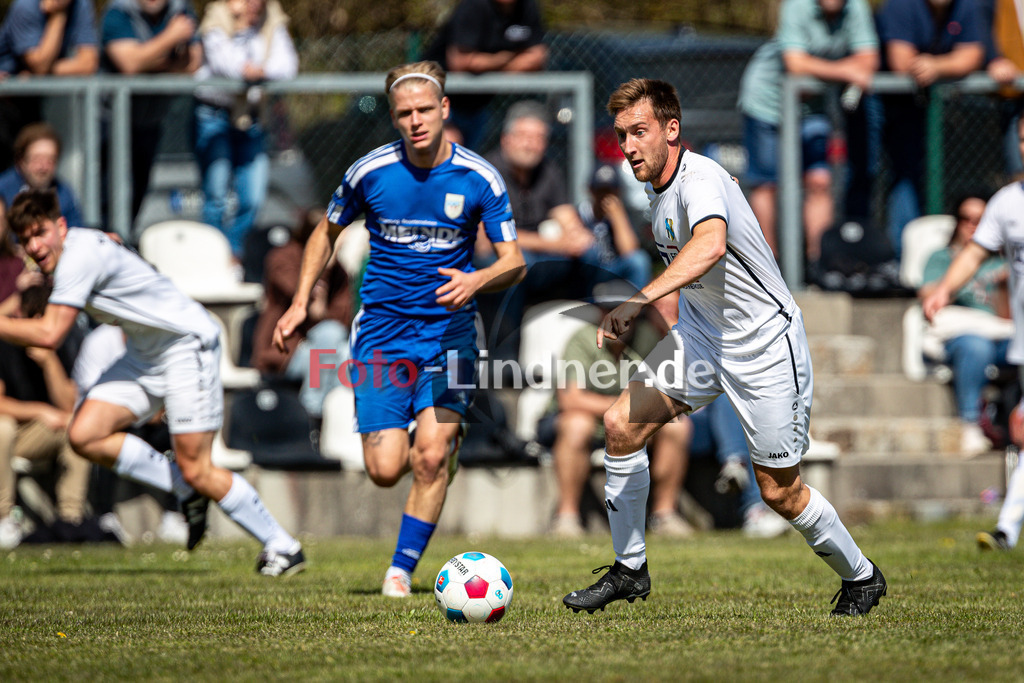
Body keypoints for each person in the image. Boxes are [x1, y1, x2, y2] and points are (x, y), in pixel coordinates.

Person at [561, 78, 886, 618]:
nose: (629, 146)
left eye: (639, 131)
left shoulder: (702, 177)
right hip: (701, 340)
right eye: (621, 135)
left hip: (764, 346)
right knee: (620, 424)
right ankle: (630, 569)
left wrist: (636, 302)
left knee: (780, 492)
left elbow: (709, 245)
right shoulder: (656, 185)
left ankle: (862, 576)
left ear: (672, 130)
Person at [272, 61, 525, 597]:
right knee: (387, 468)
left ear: (444, 110)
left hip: (450, 334)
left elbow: (514, 262)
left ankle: (400, 571)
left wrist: (477, 280)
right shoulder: (370, 172)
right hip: (383, 335)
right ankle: (430, 444)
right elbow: (326, 232)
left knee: (429, 458)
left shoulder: (479, 177)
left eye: (424, 110)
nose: (415, 121)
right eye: (404, 113)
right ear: (394, 118)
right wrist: (298, 303)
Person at [1, 188, 304, 575]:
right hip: (145, 354)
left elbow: (49, 334)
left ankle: (284, 545)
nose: (34, 245)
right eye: (25, 238)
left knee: (200, 469)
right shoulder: (76, 248)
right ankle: (183, 487)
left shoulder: (77, 257)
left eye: (39, 232)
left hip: (186, 344)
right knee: (85, 434)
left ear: (60, 226)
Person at [922, 116, 1024, 551]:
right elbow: (975, 253)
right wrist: (945, 289)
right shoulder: (1006, 202)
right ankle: (1006, 529)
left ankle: (1006, 527)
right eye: (1022, 139)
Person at [737, 0, 879, 268]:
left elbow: (869, 58)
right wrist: (845, 70)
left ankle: (819, 264)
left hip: (813, 109)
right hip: (768, 104)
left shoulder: (856, 8)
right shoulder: (796, 6)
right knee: (767, 184)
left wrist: (837, 68)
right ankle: (768, 265)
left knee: (819, 181)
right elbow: (796, 64)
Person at [544, 282, 692, 539]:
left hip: (631, 420)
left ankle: (664, 515)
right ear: (599, 312)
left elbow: (671, 388)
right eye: (610, 309)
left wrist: (668, 325)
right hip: (583, 421)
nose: (617, 317)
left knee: (678, 425)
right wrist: (623, 408)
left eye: (624, 309)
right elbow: (570, 399)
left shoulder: (649, 337)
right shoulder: (581, 338)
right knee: (576, 424)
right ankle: (566, 518)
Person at [479, 100, 594, 358]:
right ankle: (505, 364)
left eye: (539, 138)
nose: (531, 144)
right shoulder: (487, 173)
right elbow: (487, 238)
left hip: (541, 255)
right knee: (515, 266)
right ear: (506, 139)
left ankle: (589, 348)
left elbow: (565, 216)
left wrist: (578, 236)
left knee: (591, 256)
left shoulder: (548, 171)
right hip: (496, 258)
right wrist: (558, 245)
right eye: (524, 136)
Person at [877, 0, 985, 257]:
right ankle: (896, 259)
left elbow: (972, 54)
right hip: (884, 107)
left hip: (934, 111)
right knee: (893, 178)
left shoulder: (968, 6)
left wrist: (936, 66)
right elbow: (901, 61)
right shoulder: (900, 6)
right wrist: (946, 64)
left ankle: (929, 259)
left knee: (927, 176)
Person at [193, 0, 298, 261]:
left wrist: (260, 72)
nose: (254, 4)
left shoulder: (272, 21)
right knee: (216, 195)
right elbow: (225, 66)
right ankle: (213, 258)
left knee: (253, 196)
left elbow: (287, 66)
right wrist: (240, 33)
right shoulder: (216, 19)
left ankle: (234, 254)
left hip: (252, 119)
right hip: (213, 115)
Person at [918, 193, 1012, 455]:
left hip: (1000, 333)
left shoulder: (1002, 263)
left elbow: (1007, 318)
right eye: (966, 219)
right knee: (976, 347)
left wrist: (1004, 285)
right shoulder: (942, 258)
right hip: (959, 336)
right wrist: (956, 280)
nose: (973, 225)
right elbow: (927, 297)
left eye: (981, 220)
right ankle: (970, 423)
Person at [0, 282, 91, 549]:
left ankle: (70, 520)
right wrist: (40, 411)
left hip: (37, 435)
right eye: (35, 316)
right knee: (2, 427)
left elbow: (69, 407)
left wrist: (49, 361)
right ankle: (3, 517)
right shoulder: (4, 344)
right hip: (11, 431)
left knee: (78, 427)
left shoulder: (64, 342)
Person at [100, 0, 202, 226]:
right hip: (109, 122)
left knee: (137, 195)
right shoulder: (118, 12)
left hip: (151, 121)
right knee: (106, 199)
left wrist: (147, 59)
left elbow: (193, 63)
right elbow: (130, 64)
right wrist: (171, 38)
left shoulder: (180, 8)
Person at [252, 207, 353, 420]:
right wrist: (325, 264)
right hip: (285, 350)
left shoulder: (340, 272)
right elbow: (298, 294)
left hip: (325, 349)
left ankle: (335, 422)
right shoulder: (283, 257)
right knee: (328, 348)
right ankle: (313, 415)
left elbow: (342, 319)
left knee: (347, 355)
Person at [424, 0, 548, 150]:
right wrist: (508, 57)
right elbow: (460, 62)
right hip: (439, 100)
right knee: (446, 154)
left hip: (478, 107)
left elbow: (537, 57)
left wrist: (485, 65)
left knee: (468, 162)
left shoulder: (528, 7)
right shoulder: (472, 6)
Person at [0, 0, 98, 169]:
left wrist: (39, 74)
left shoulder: (80, 4)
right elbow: (40, 64)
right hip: (5, 103)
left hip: (31, 102)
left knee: (33, 170)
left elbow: (88, 64)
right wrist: (58, 17)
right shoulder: (25, 6)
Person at [577, 163, 652, 290]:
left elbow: (630, 251)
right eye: (600, 191)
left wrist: (618, 218)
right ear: (590, 190)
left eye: (610, 191)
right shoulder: (581, 212)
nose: (604, 196)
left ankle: (636, 306)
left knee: (639, 260)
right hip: (588, 271)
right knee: (590, 252)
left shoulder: (623, 214)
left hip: (614, 268)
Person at [0, 122, 85, 230]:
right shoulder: (3, 190)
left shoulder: (63, 192)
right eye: (37, 159)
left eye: (50, 160)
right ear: (21, 161)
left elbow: (75, 231)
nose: (43, 167)